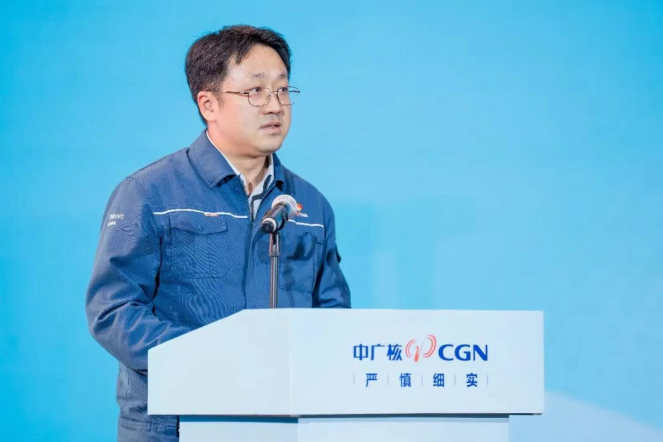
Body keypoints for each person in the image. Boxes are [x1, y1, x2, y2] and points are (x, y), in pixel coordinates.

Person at [85, 25, 351, 442]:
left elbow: (332, 315)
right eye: (256, 91)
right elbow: (112, 309)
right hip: (173, 424)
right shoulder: (150, 193)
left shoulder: (309, 206)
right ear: (208, 103)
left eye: (283, 90)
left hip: (283, 422)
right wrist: (208, 359)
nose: (275, 106)